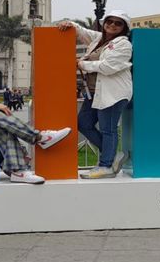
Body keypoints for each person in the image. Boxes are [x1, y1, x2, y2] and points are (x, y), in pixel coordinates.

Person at [57, 11, 134, 179]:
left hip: (114, 93)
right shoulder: (99, 39)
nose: (112, 25)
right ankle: (112, 155)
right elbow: (81, 31)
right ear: (104, 22)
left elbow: (108, 67)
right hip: (94, 93)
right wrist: (69, 22)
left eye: (118, 23)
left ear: (124, 28)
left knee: (108, 129)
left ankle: (106, 166)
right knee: (84, 123)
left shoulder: (123, 44)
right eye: (110, 21)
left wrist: (81, 64)